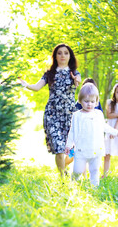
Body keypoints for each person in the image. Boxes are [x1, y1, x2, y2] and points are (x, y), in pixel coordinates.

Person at [19, 43, 81, 176]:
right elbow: (36, 87)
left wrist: (76, 80)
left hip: (69, 114)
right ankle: (63, 177)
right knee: (58, 148)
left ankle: (65, 167)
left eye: (66, 53)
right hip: (52, 114)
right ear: (55, 56)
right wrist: (26, 85)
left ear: (70, 56)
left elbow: (78, 81)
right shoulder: (49, 74)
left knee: (71, 149)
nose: (63, 55)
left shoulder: (74, 73)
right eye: (59, 53)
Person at [65, 83, 118, 186]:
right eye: (86, 101)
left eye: (92, 102)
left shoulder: (98, 114)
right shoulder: (77, 115)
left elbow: (104, 127)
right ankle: (73, 183)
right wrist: (68, 145)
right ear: (80, 101)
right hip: (81, 150)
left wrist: (116, 132)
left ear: (96, 102)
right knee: (78, 170)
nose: (89, 104)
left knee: (95, 170)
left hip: (96, 149)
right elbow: (72, 131)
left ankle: (95, 188)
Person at [64, 78, 103, 169]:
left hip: (90, 137)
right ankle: (65, 164)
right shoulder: (79, 104)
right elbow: (74, 119)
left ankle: (84, 175)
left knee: (86, 157)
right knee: (73, 155)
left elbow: (100, 116)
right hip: (78, 135)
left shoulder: (96, 104)